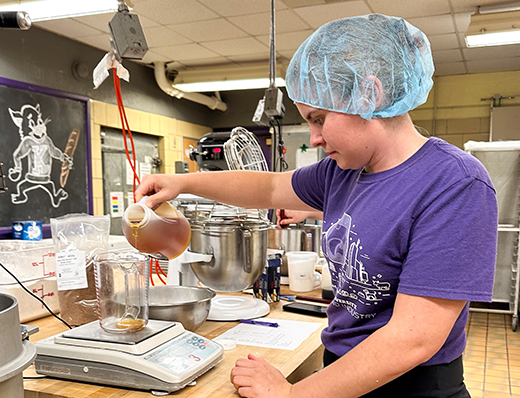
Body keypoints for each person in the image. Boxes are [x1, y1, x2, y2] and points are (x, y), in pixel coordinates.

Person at [135, 13, 497, 398]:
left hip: (410, 387)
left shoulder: (454, 184)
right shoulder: (342, 172)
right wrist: (181, 183)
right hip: (340, 372)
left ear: (369, 95)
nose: (315, 138)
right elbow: (270, 187)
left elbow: (414, 339)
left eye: (319, 118)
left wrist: (291, 395)